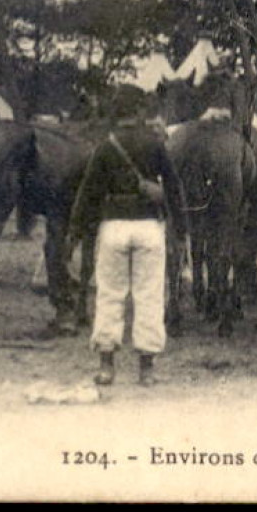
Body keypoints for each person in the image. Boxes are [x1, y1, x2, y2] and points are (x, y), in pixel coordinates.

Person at [71, 122, 175, 387]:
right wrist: (181, 226)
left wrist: (75, 231)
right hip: (149, 227)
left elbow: (88, 192)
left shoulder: (106, 146)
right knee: (150, 295)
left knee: (109, 294)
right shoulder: (155, 144)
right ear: (140, 111)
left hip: (114, 226)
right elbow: (174, 188)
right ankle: (146, 370)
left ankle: (106, 366)